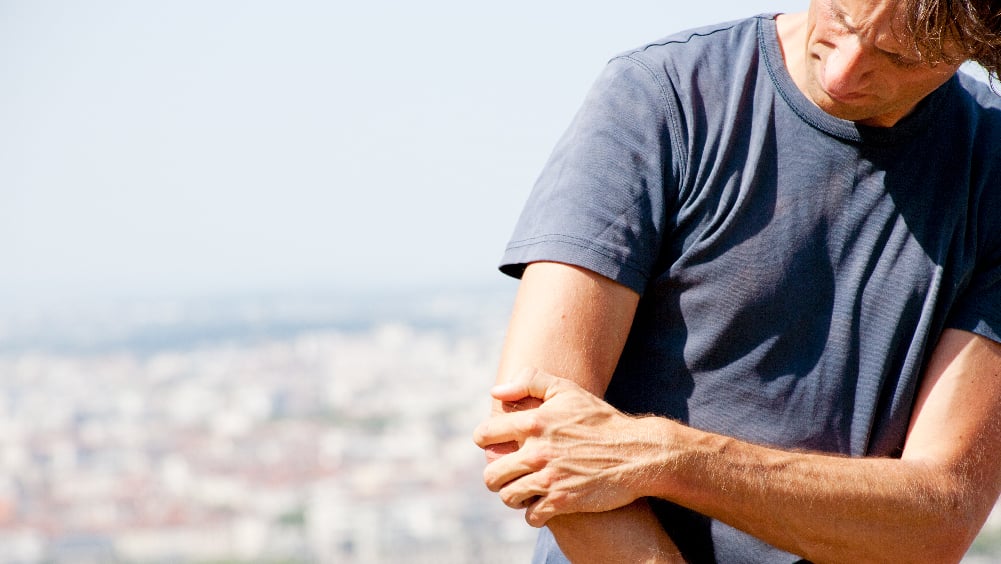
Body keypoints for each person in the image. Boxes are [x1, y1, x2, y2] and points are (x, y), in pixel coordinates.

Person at [473, 0, 1001, 562]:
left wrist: (666, 455)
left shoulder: (990, 167)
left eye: (898, 56)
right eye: (840, 18)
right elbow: (532, 434)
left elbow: (939, 515)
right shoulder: (662, 95)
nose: (842, 70)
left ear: (977, 46)